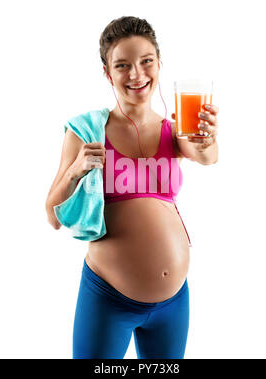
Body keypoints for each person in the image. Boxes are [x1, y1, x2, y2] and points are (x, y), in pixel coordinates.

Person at [45, 16, 219, 359]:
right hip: (107, 298)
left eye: (146, 61)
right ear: (108, 74)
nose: (136, 74)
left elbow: (206, 155)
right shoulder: (85, 131)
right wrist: (76, 171)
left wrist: (209, 138)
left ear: (159, 64)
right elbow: (52, 215)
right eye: (122, 65)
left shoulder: (176, 127)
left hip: (174, 302)